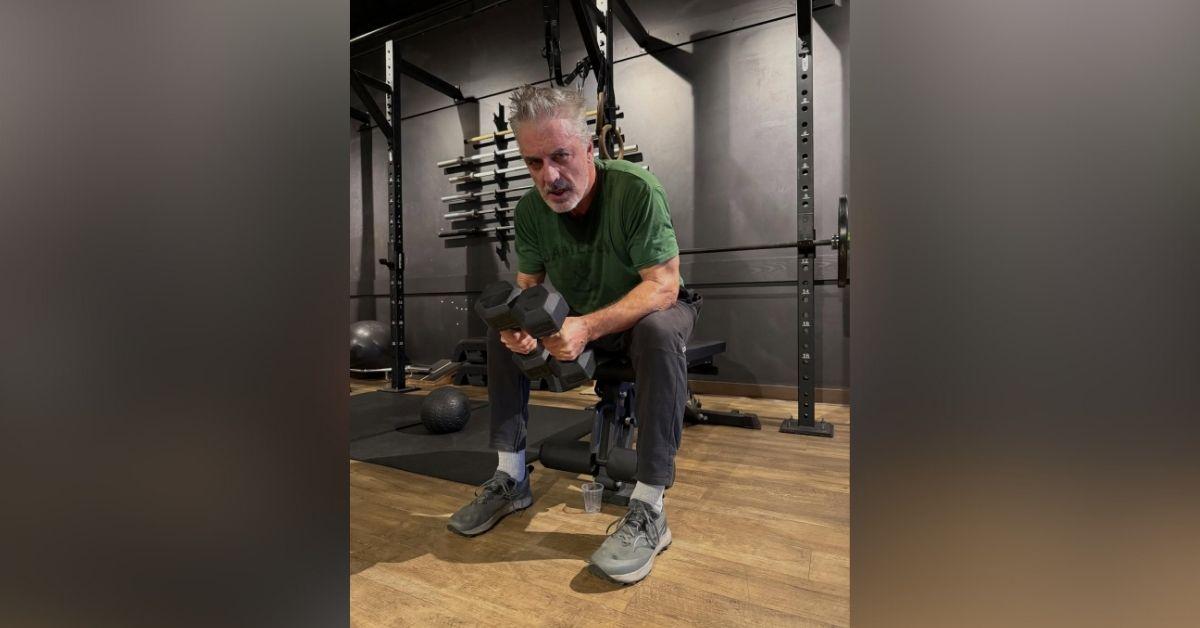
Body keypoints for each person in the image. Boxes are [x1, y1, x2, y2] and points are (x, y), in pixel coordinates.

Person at [446, 84, 701, 584]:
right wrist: (520, 332)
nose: (550, 176)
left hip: (648, 312)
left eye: (560, 156)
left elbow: (663, 286)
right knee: (500, 337)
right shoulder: (530, 211)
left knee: (657, 331)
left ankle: (650, 507)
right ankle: (510, 477)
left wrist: (584, 326)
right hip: (583, 315)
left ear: (589, 149)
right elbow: (527, 289)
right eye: (534, 162)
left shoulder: (635, 189)